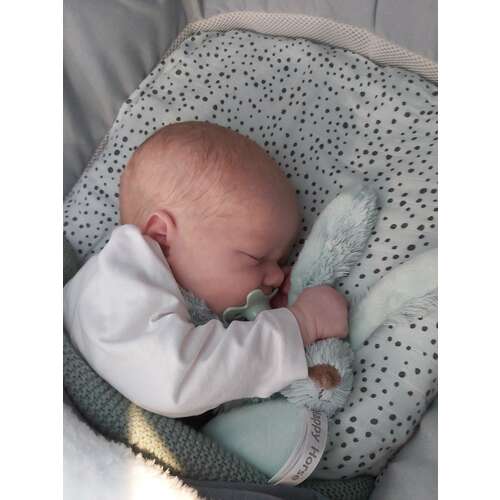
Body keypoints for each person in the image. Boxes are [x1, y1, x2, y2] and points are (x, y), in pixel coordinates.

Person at [63, 121, 348, 418]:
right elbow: (180, 381)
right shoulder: (119, 285)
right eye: (256, 258)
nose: (277, 276)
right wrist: (299, 326)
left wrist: (263, 319)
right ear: (162, 238)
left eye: (279, 261)